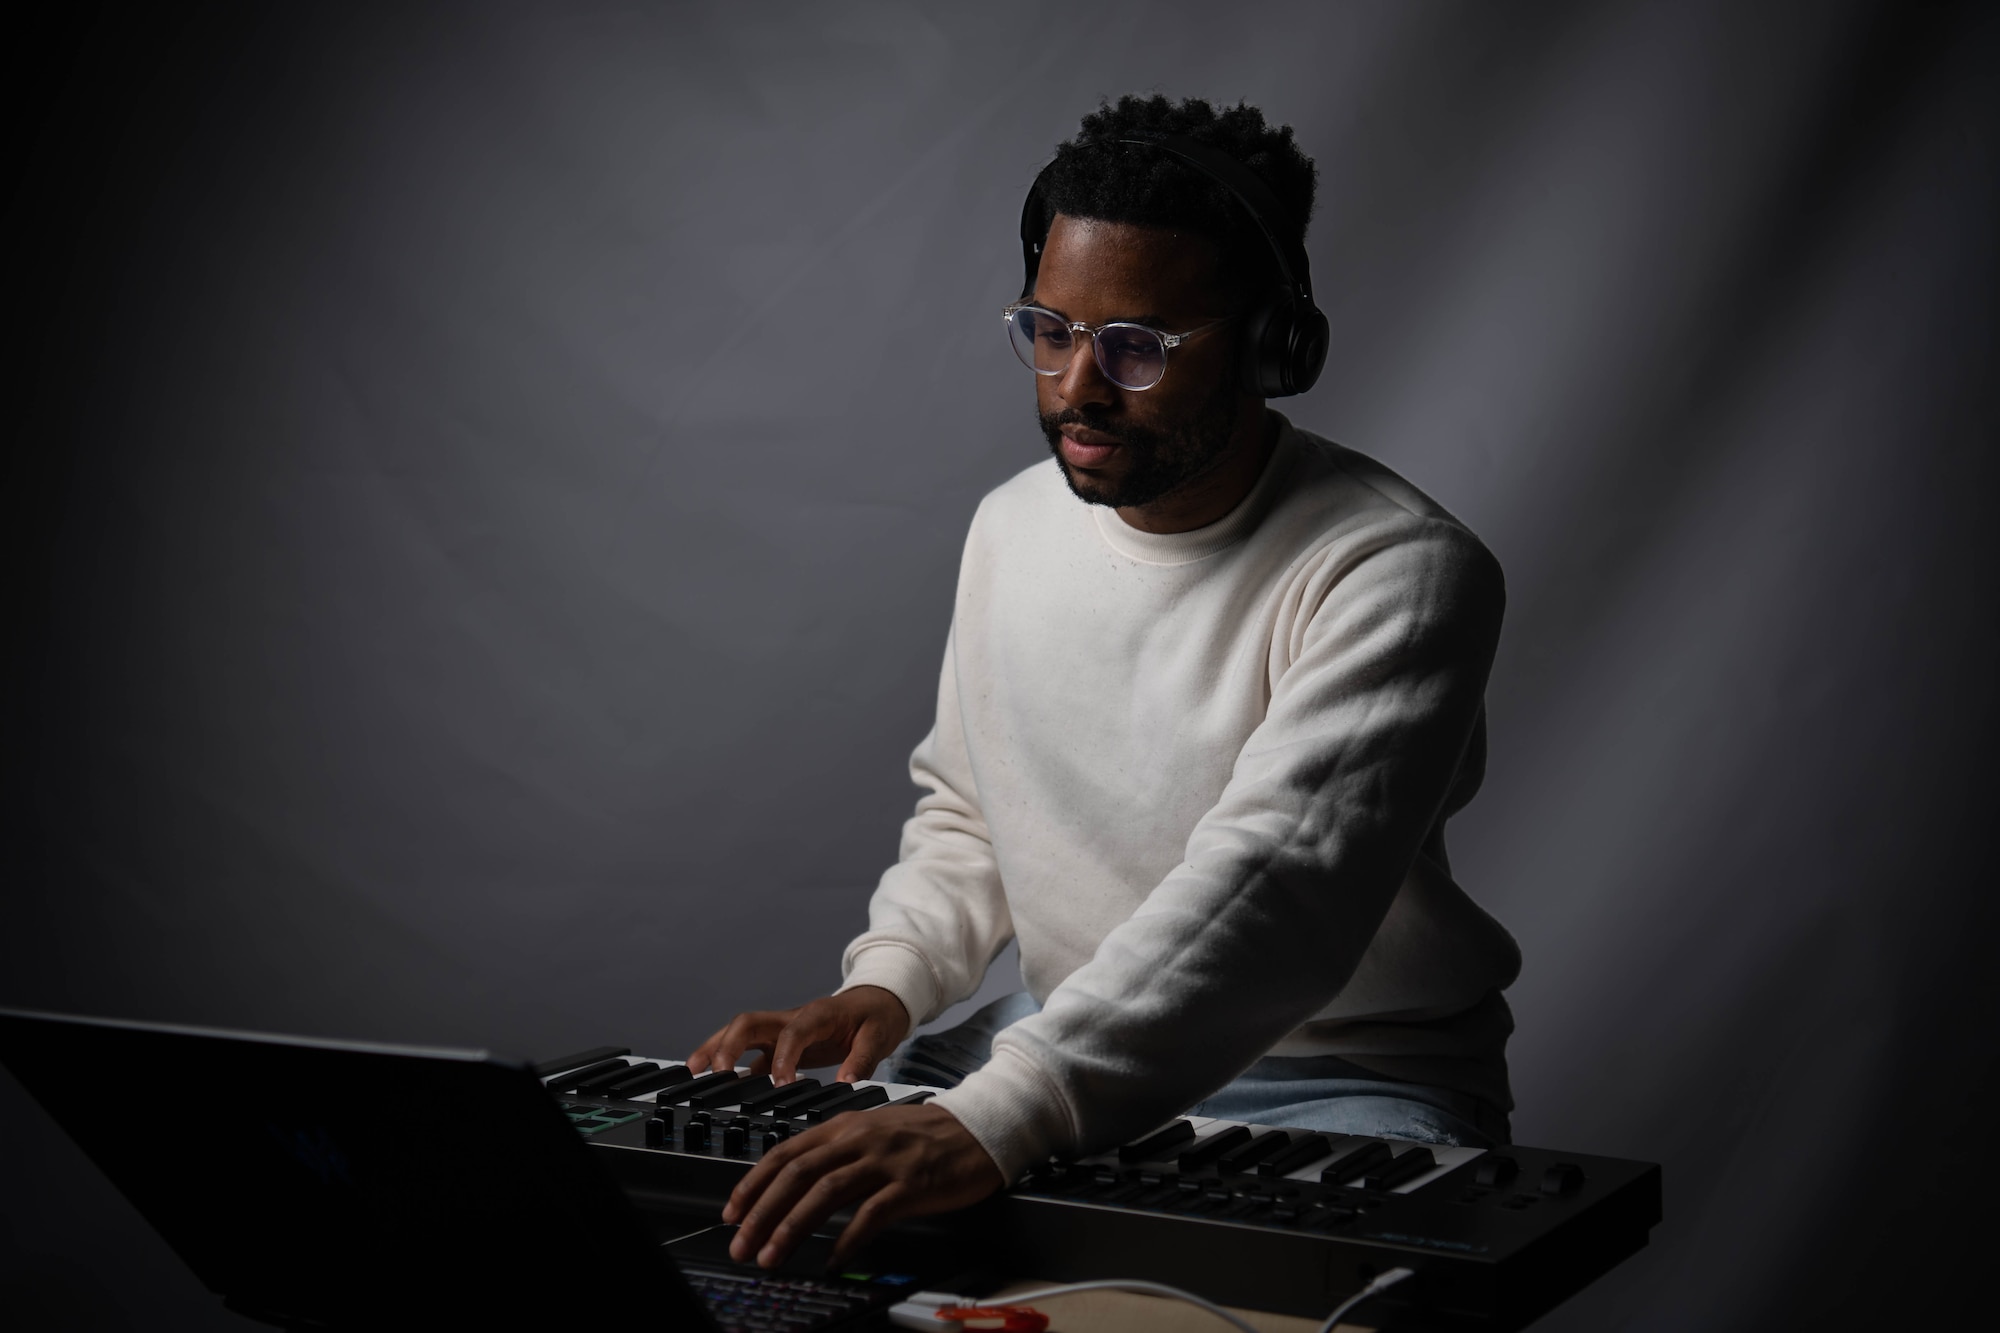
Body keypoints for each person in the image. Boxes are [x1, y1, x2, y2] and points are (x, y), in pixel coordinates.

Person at [695, 94, 1521, 1270]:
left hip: (1337, 1085)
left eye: (1136, 345)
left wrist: (1000, 1114)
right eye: (1049, 328)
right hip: (1046, 1042)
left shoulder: (1398, 571)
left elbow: (1268, 893)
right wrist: (890, 983)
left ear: (1268, 345)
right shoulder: (1010, 527)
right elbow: (972, 809)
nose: (1076, 385)